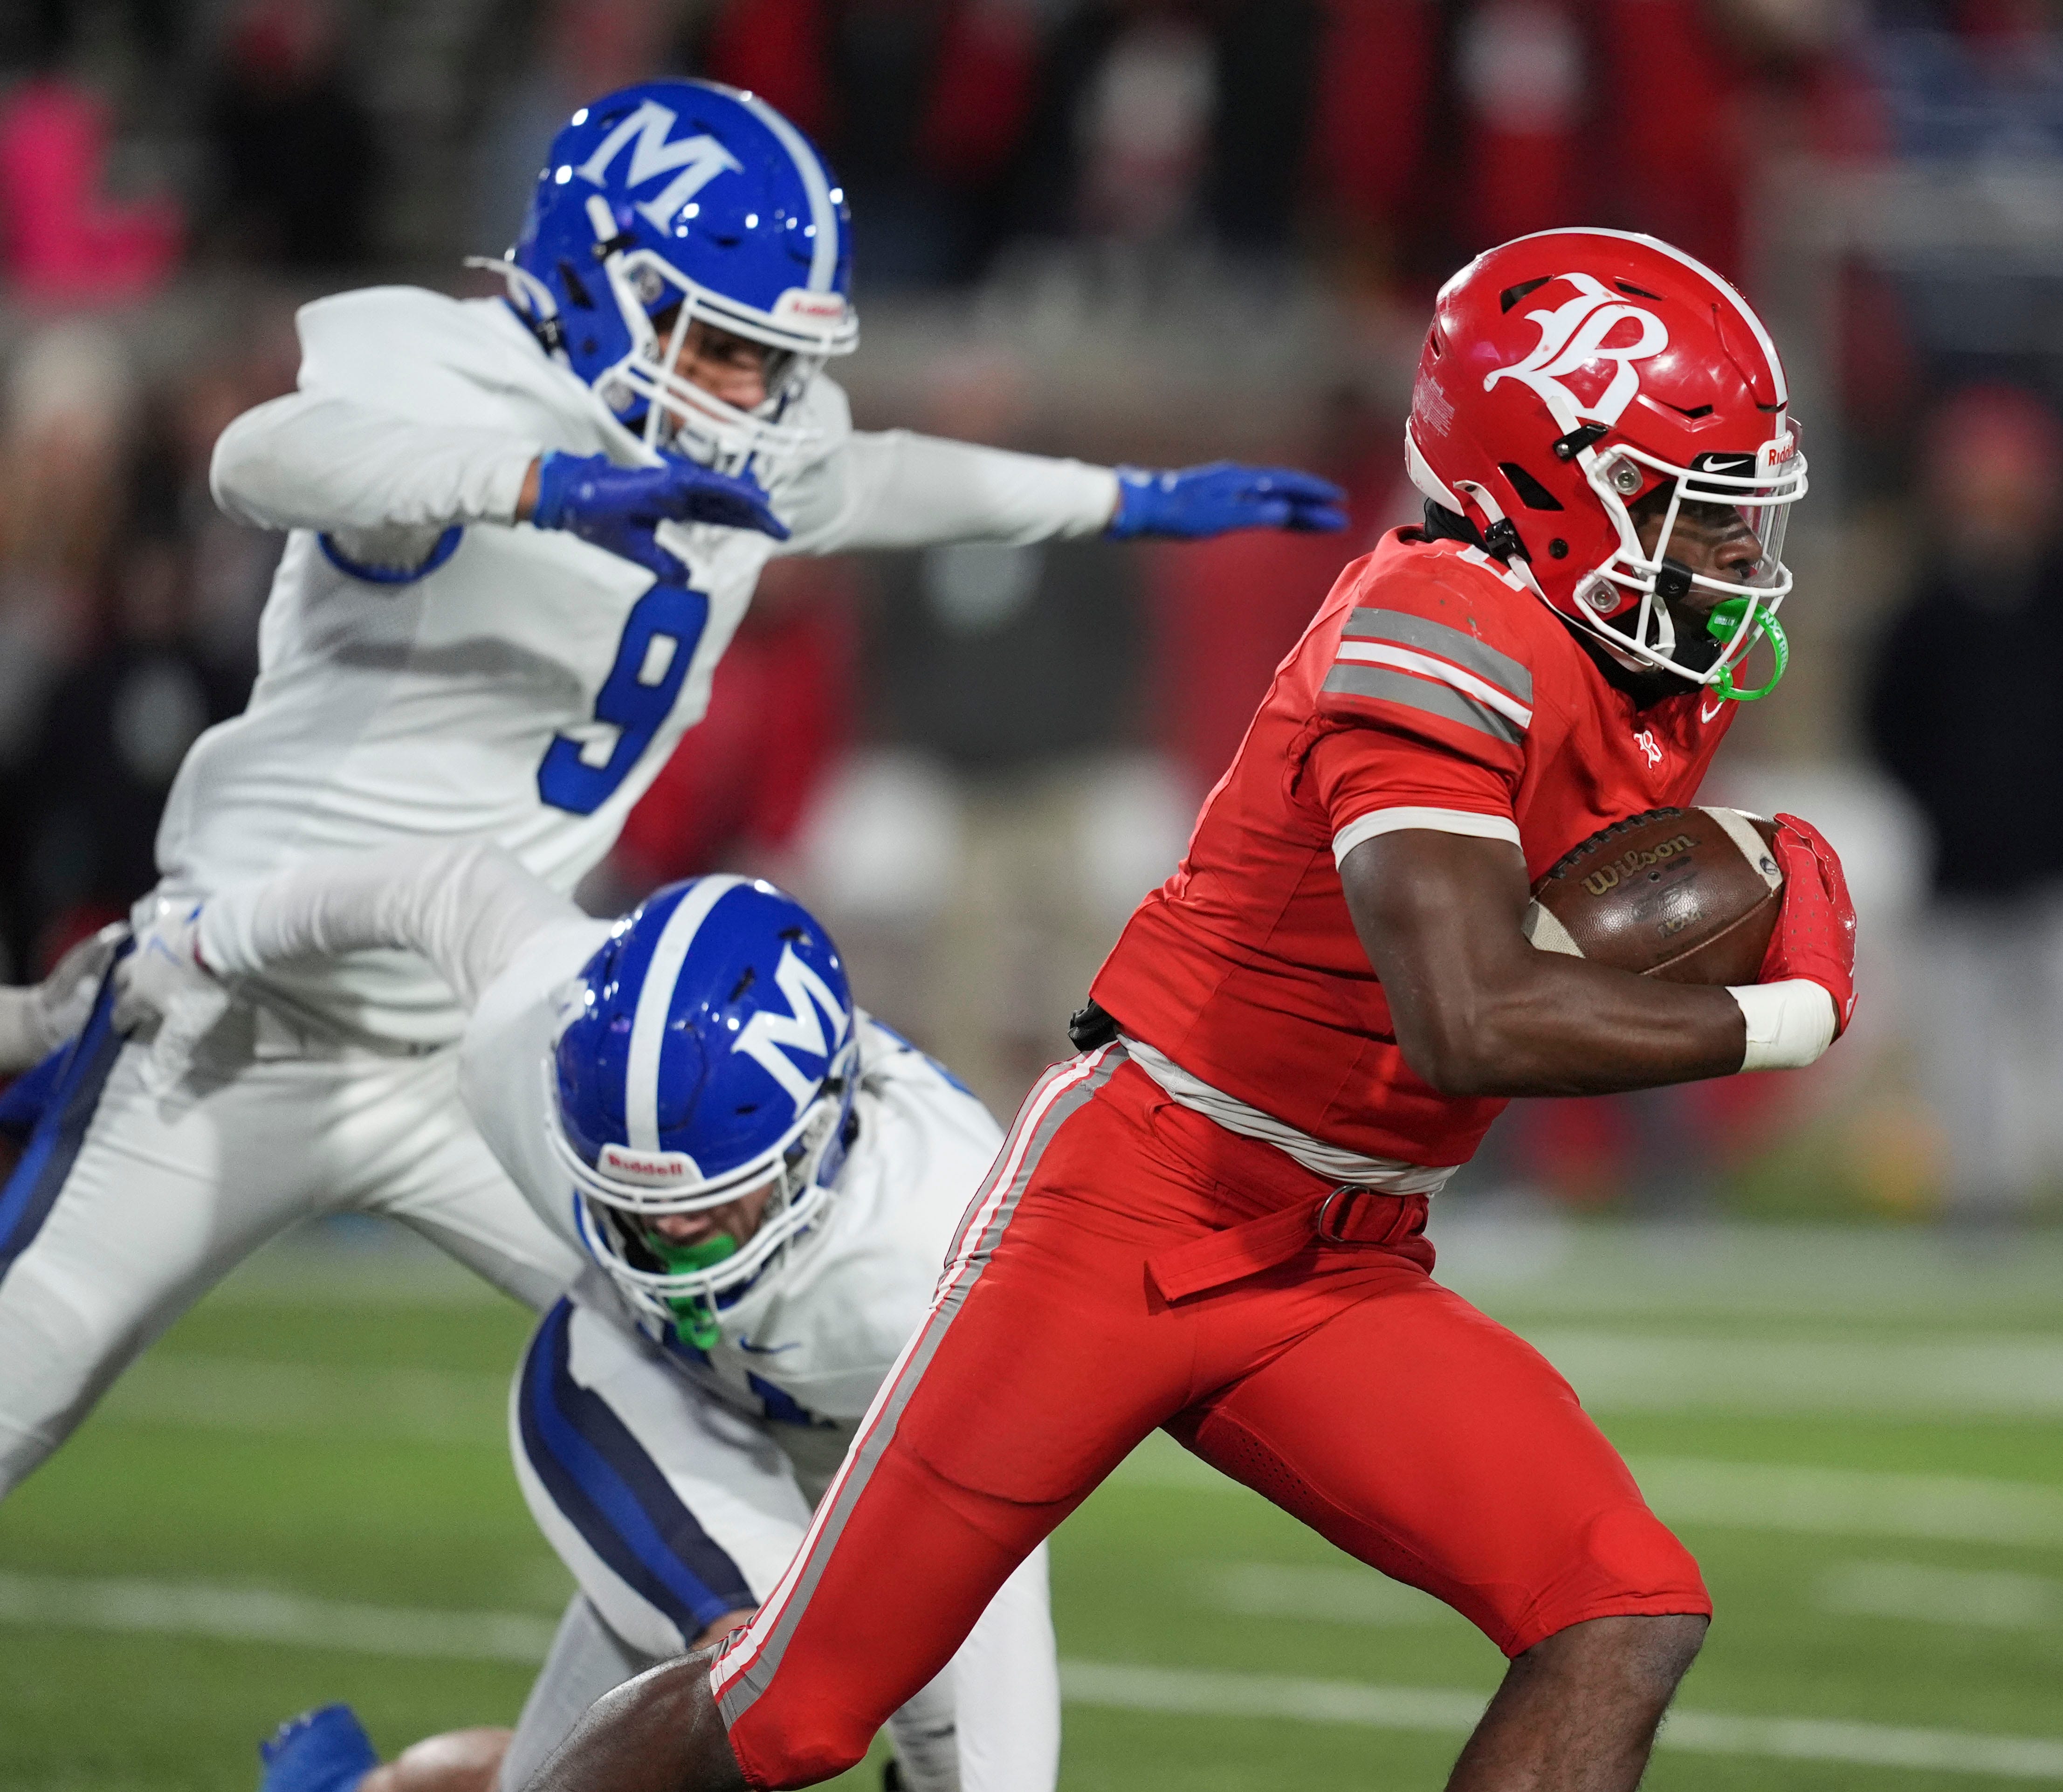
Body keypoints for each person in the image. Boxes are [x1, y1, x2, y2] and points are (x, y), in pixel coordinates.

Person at [510, 229, 1857, 1792]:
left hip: (1341, 1247)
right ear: (1544, 481)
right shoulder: (1442, 617)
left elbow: (1535, 941)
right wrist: (1785, 1016)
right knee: (794, 1712)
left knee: (1620, 1602)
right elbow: (1468, 1016)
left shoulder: (1642, 668)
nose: (1718, 554)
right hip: (1142, 1206)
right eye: (1681, 505)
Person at [0, 75, 1343, 1499]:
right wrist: (535, 483)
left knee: (764, 1407)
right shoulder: (452, 384)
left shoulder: (731, 440)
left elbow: (886, 478)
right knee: (25, 1375)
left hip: (479, 1033)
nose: (756, 396)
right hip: (236, 1011)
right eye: (722, 347)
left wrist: (1124, 501)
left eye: (775, 358)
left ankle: (678, 1726)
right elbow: (261, 458)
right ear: (595, 286)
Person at [109, 840, 1057, 1792]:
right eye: (631, 1207)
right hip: (639, 1382)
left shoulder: (944, 1236)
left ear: (819, 1126)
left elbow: (1007, 1593)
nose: (669, 1238)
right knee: (771, 1680)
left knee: (936, 1741)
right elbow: (439, 886)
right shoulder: (533, 1026)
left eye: (709, 1203)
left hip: (885, 1445)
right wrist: (202, 939)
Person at [1863, 384, 2063, 1241]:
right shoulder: (1924, 612)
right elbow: (1887, 725)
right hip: (1959, 868)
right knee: (1965, 1052)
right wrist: (1945, 808)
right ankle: (1979, 1197)